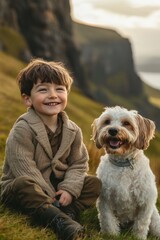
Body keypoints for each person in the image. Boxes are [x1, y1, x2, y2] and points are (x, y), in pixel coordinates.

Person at [0, 58, 102, 240]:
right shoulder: (23, 129)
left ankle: (66, 212)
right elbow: (25, 168)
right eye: (43, 89)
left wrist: (69, 190)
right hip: (26, 189)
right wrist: (49, 195)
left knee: (94, 184)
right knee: (23, 184)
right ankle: (59, 220)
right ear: (28, 99)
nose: (53, 95)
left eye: (59, 89)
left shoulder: (73, 130)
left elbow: (78, 164)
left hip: (57, 188)